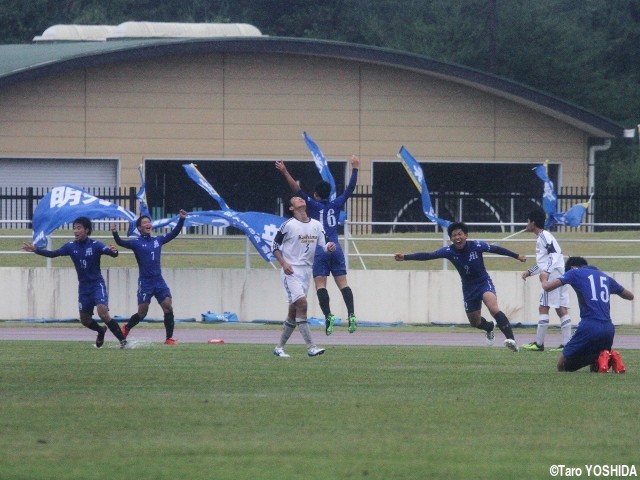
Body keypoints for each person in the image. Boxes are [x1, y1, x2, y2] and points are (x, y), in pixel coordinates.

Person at [394, 221, 526, 351]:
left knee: (493, 307)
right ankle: (489, 327)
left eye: (459, 234)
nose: (457, 238)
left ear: (466, 235)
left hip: (483, 282)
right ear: (451, 239)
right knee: (475, 322)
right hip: (468, 289)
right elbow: (428, 255)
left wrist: (517, 256)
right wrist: (405, 257)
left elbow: (497, 249)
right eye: (454, 236)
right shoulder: (448, 251)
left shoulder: (477, 246)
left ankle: (511, 340)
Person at [275, 155, 359, 336]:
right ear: (329, 194)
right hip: (335, 247)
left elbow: (296, 189)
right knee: (343, 283)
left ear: (315, 194)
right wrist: (355, 168)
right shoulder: (336, 204)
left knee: (321, 284)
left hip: (321, 249)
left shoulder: (311, 204)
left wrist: (285, 171)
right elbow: (350, 189)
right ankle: (351, 314)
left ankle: (328, 316)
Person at [22, 216, 127, 348]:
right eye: (74, 228)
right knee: (85, 320)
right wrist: (36, 250)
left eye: (79, 228)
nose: (75, 231)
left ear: (87, 230)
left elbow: (112, 253)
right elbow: (53, 254)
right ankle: (100, 330)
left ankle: (123, 341)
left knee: (103, 312)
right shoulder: (70, 246)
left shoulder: (96, 245)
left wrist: (114, 251)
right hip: (84, 288)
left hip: (96, 284)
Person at [540, 256, 633, 373]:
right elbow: (630, 296)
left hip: (589, 325)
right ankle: (609, 357)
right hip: (609, 328)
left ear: (573, 268)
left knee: (562, 366)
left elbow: (547, 287)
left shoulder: (575, 273)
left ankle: (603, 358)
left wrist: (543, 278)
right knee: (597, 362)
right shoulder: (605, 277)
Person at [110, 209, 187, 345]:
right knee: (142, 313)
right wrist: (115, 233)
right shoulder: (136, 243)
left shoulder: (158, 240)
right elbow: (121, 242)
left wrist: (181, 219)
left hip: (159, 281)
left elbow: (174, 233)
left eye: (149, 222)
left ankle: (169, 338)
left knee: (168, 307)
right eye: (144, 222)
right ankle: (126, 328)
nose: (148, 224)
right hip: (145, 282)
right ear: (139, 228)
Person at [272, 196, 336, 358]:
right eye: (295, 199)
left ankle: (279, 348)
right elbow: (275, 246)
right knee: (302, 304)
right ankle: (311, 347)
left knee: (294, 312)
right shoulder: (288, 225)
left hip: (307, 271)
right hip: (291, 270)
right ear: (292, 208)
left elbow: (325, 244)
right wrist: (283, 263)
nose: (300, 199)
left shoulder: (316, 225)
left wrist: (330, 247)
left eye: (301, 198)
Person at [520, 209, 572, 351]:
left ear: (533, 222)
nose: (527, 224)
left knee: (543, 306)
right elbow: (545, 261)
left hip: (553, 275)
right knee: (561, 308)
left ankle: (539, 343)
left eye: (528, 221)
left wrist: (546, 273)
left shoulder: (544, 236)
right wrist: (530, 272)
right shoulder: (543, 237)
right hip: (559, 274)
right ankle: (568, 344)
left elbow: (554, 254)